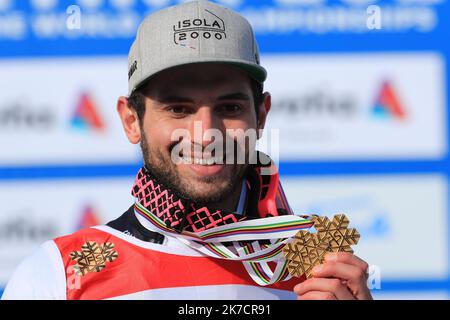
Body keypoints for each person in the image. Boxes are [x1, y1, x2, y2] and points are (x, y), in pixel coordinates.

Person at [2, 0, 372, 300]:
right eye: (178, 109)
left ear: (261, 116)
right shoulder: (60, 274)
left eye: (229, 108)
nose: (205, 134)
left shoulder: (318, 267)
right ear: (132, 120)